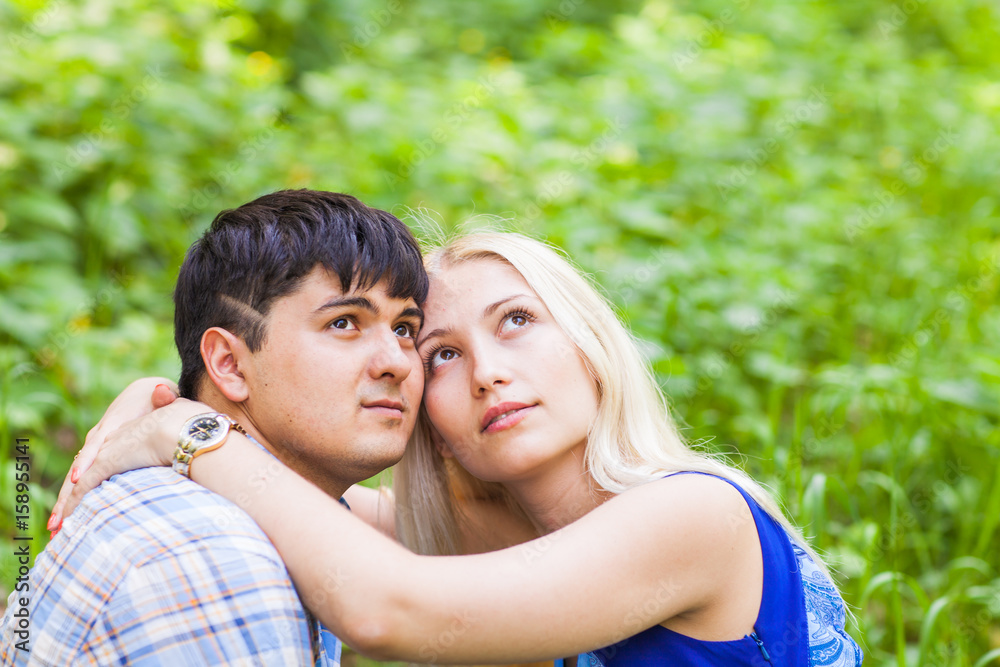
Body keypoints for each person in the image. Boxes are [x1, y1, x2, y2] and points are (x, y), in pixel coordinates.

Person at [52, 232, 864, 665]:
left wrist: (188, 432)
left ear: (588, 341)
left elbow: (384, 607)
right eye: (439, 351)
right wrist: (166, 395)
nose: (487, 374)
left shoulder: (694, 514)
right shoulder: (501, 537)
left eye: (517, 320)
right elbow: (304, 497)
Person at [0, 189, 430, 665]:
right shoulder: (217, 558)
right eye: (345, 322)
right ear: (229, 363)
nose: (398, 363)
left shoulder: (266, 516)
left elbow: (445, 526)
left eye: (406, 328)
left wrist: (182, 424)